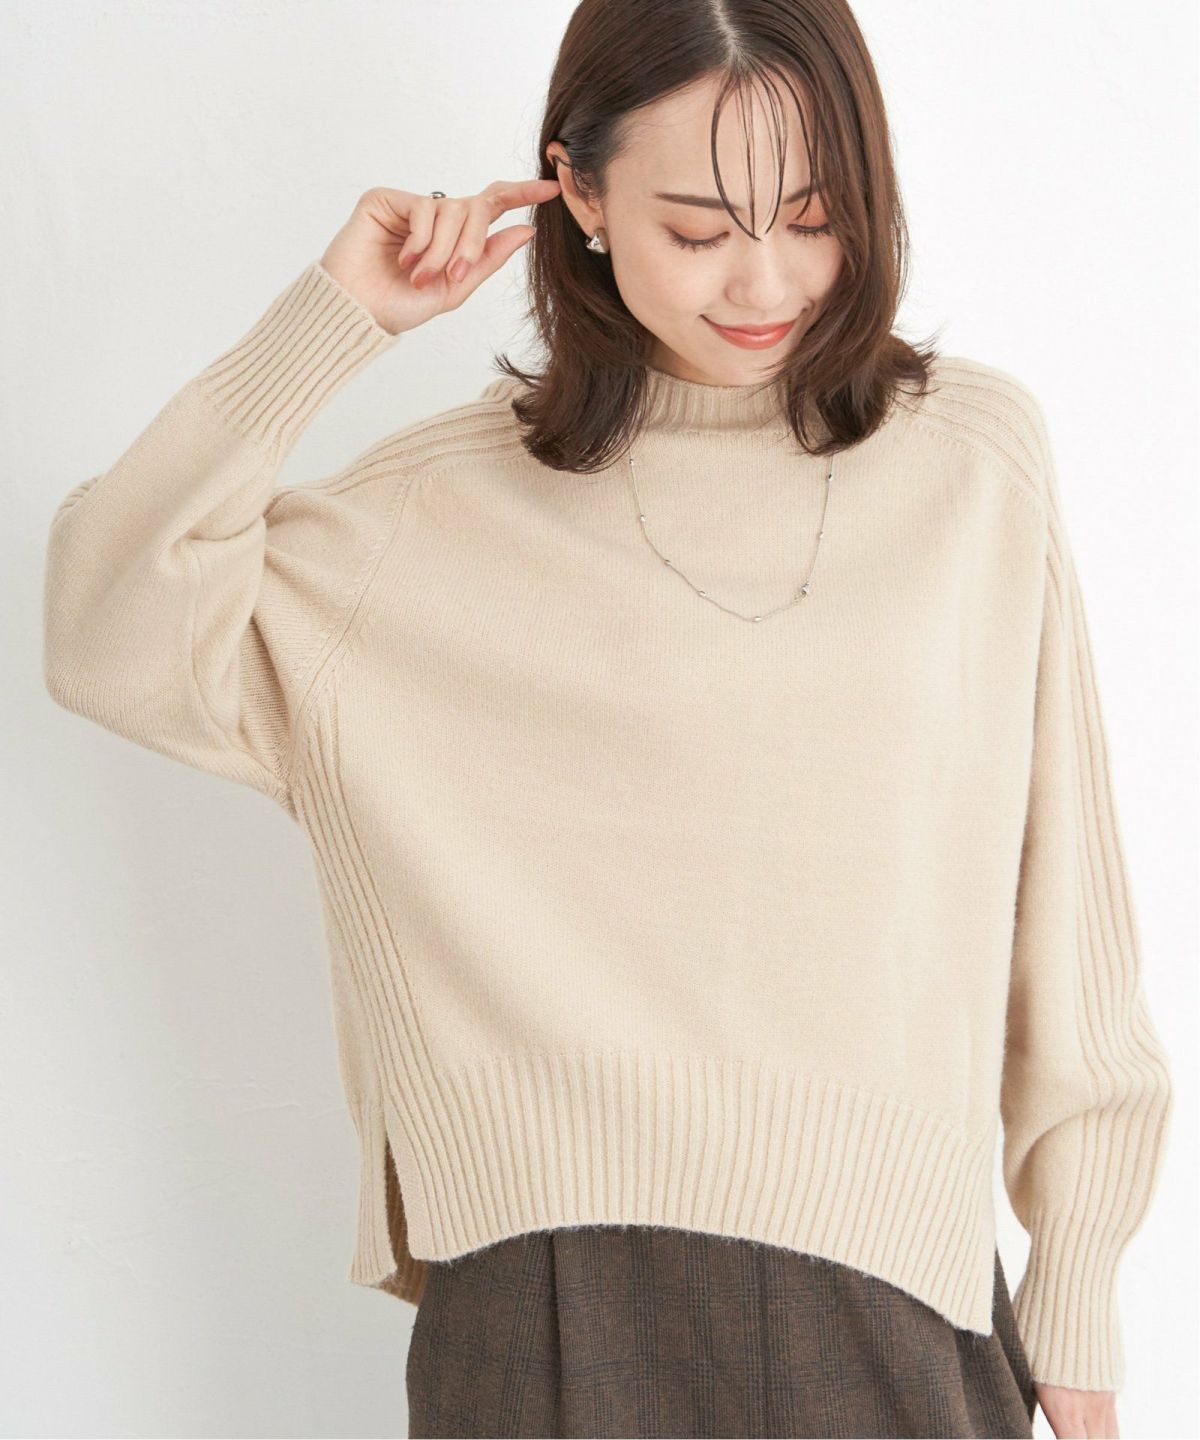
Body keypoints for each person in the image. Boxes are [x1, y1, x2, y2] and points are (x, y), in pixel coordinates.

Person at [42, 1, 1173, 1437]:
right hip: (541, 1301)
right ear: (577, 193)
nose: (766, 280)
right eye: (698, 230)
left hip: (891, 1298)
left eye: (816, 217)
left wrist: (1078, 1286)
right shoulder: (427, 517)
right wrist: (332, 323)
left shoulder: (969, 464)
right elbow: (104, 628)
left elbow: (1065, 903)